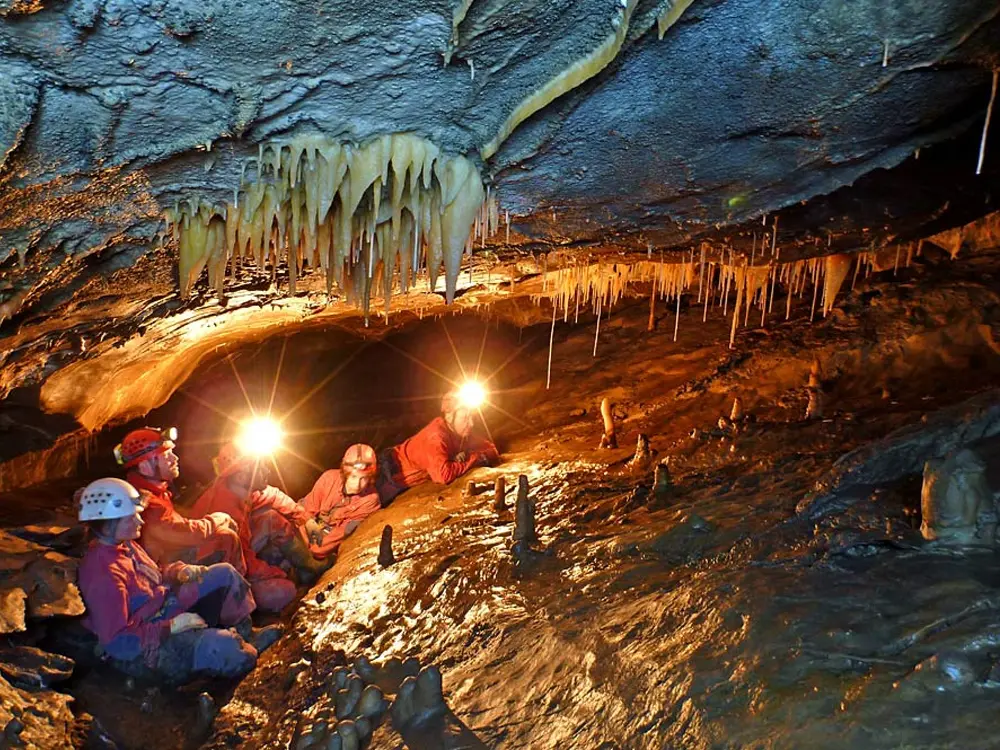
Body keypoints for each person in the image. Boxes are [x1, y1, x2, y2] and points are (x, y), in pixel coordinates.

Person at [76, 478, 273, 684]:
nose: (140, 522)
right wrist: (171, 626)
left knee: (224, 573)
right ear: (108, 528)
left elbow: (153, 575)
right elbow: (118, 642)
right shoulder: (103, 574)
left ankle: (245, 633)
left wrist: (179, 571)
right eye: (131, 519)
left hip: (165, 607)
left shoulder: (125, 545)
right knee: (230, 651)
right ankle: (201, 679)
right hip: (144, 646)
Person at [191, 442, 327, 606]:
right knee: (284, 590)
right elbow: (243, 563)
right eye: (260, 467)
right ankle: (248, 617)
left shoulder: (240, 490)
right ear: (242, 476)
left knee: (271, 517)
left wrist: (307, 519)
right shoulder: (226, 514)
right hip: (217, 576)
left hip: (238, 555)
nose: (267, 470)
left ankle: (308, 568)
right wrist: (276, 573)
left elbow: (273, 495)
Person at [116, 427, 246, 573]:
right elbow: (186, 534)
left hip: (166, 561)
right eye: (166, 455)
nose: (175, 458)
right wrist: (218, 519)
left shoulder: (156, 493)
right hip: (161, 574)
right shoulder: (147, 504)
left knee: (223, 537)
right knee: (225, 539)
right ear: (145, 467)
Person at [377, 391, 500, 505]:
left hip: (411, 473)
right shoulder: (437, 437)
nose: (471, 423)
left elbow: (491, 449)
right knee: (371, 508)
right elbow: (443, 476)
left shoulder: (461, 433)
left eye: (472, 417)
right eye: (465, 418)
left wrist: (469, 455)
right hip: (391, 470)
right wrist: (475, 458)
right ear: (450, 418)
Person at [300, 443, 382, 559]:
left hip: (328, 533)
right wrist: (303, 539)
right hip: (308, 521)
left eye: (363, 479)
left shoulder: (370, 501)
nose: (357, 485)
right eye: (353, 477)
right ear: (345, 472)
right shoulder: (328, 478)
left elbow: (340, 534)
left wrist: (315, 549)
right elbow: (308, 510)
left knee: (316, 556)